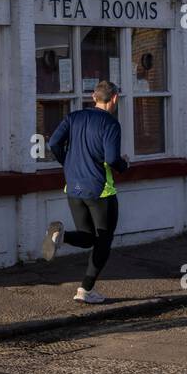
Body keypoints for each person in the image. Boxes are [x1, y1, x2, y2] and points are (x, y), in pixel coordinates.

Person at [41, 80, 129, 303]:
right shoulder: (111, 124)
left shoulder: (74, 117)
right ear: (115, 98)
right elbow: (111, 158)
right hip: (100, 191)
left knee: (87, 237)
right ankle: (85, 291)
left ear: (93, 97)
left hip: (74, 187)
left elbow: (53, 143)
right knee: (103, 242)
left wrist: (68, 163)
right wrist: (124, 165)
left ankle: (60, 236)